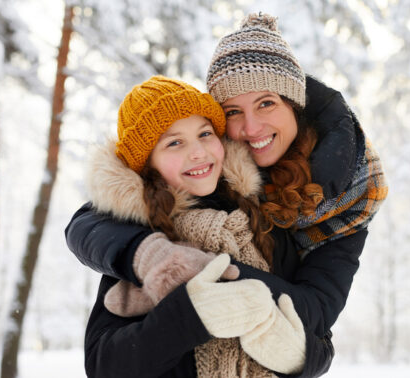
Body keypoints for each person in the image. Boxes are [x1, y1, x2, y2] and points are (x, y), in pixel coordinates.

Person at [66, 12, 387, 375]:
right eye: (233, 111)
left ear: (294, 105)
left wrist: (293, 351)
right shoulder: (160, 223)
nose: (251, 128)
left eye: (266, 103)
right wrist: (156, 264)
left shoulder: (304, 217)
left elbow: (316, 327)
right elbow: (94, 223)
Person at [83, 75, 331, 377]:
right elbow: (104, 365)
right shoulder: (145, 238)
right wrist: (190, 316)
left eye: (204, 134)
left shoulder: (261, 222)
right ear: (148, 164)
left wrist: (294, 356)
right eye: (174, 143)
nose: (198, 152)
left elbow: (321, 340)